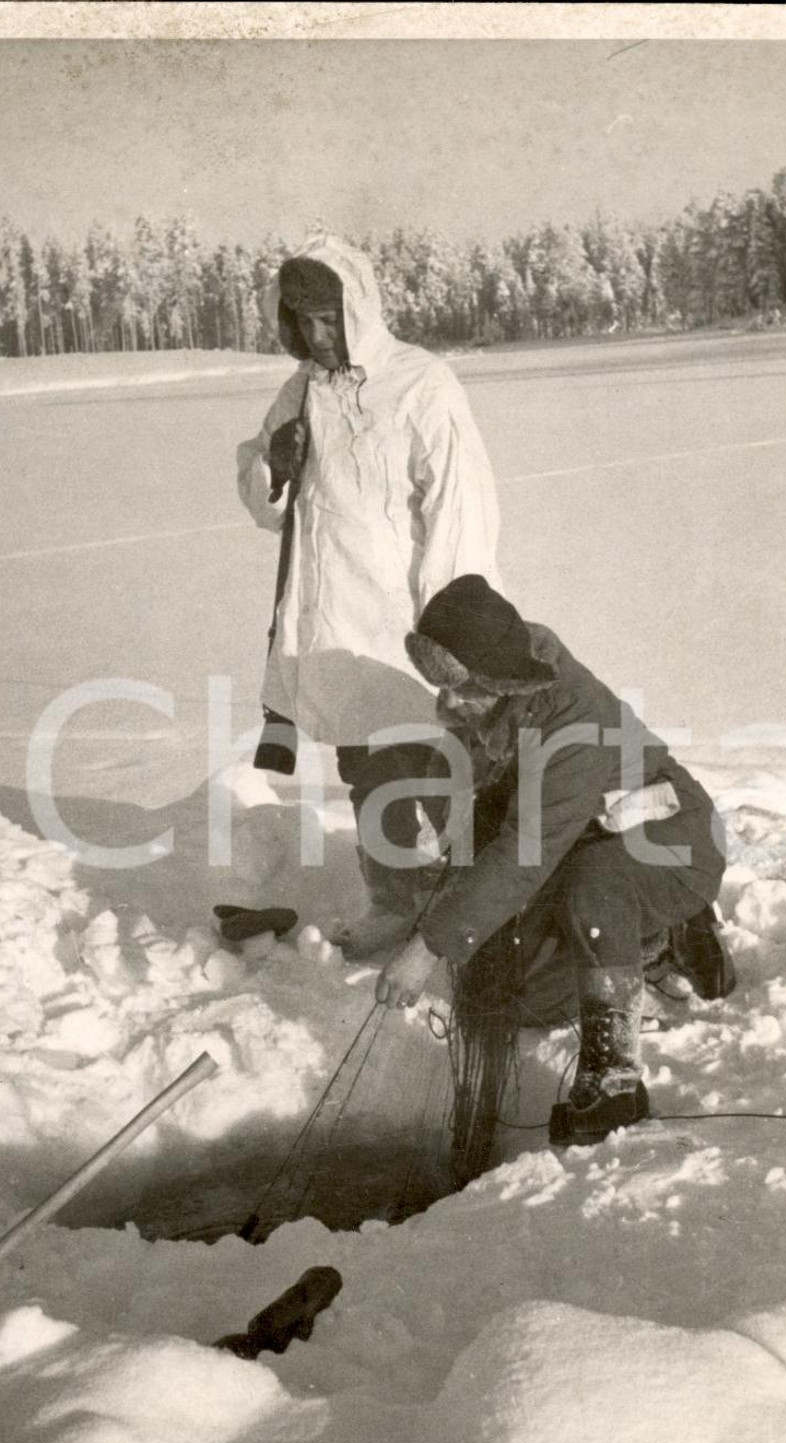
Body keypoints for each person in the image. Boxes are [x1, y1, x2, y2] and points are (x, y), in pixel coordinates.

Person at [375, 574, 735, 1142]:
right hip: (589, 836)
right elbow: (501, 821)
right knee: (525, 997)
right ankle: (645, 939)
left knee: (594, 889)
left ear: (499, 676)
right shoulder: (502, 698)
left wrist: (428, 946)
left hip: (673, 840)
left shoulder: (572, 721)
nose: (446, 702)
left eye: (458, 686)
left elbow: (526, 852)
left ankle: (613, 1074)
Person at [237, 235, 502, 957]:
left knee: (448, 764)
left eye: (329, 319)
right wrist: (274, 467)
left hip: (413, 620)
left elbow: (460, 506)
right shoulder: (300, 389)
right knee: (368, 769)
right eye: (303, 321)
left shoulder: (421, 382)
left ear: (358, 310)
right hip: (333, 621)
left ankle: (478, 907)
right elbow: (266, 503)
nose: (318, 337)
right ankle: (395, 901)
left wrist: (455, 624)